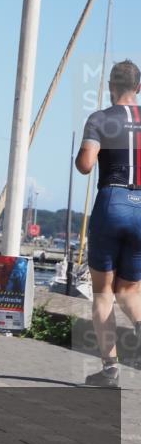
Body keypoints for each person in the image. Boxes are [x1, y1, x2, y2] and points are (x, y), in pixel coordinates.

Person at [75, 60, 141, 387]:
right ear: (138, 88)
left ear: (110, 87)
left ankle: (110, 371)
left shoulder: (100, 118)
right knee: (129, 291)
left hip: (112, 200)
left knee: (103, 293)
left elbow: (86, 165)